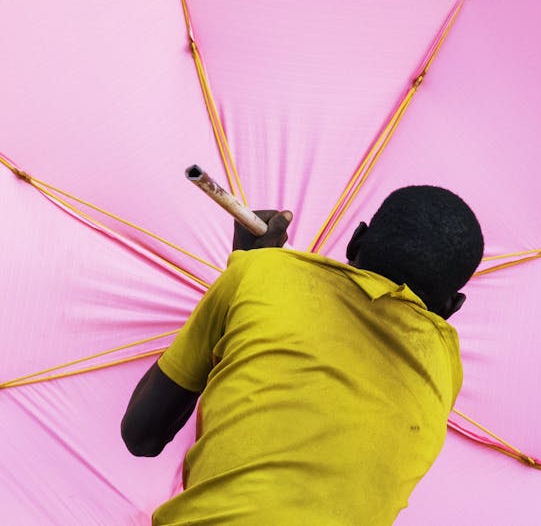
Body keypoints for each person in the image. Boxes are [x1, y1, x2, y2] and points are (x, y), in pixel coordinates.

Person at [121, 185, 484, 525]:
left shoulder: (259, 273)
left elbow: (142, 435)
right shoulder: (446, 364)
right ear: (452, 307)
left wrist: (248, 267)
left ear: (356, 241)